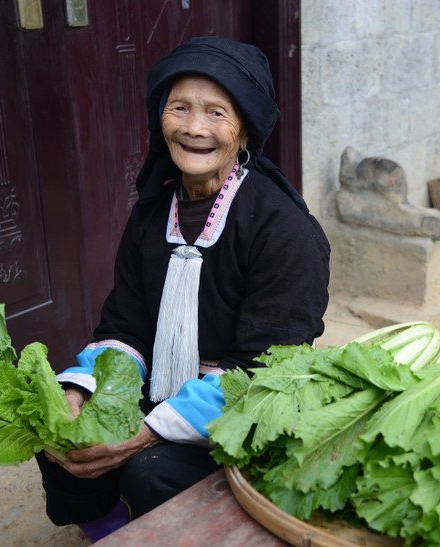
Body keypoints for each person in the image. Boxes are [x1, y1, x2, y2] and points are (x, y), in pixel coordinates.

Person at [35, 36, 330, 530]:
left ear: (245, 131)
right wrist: (82, 395)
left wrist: (145, 434)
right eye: (180, 108)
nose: (194, 128)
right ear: (160, 118)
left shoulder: (284, 230)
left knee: (152, 472)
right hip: (162, 386)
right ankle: (111, 530)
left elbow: (261, 371)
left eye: (217, 113)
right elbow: (125, 327)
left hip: (244, 405)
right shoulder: (152, 213)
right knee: (60, 432)